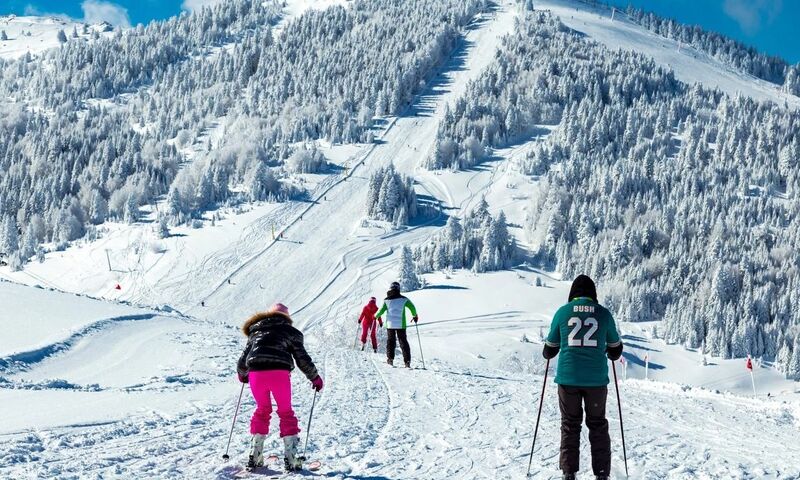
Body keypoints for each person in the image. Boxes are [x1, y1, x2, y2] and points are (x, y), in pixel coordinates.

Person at [542, 275, 623, 480]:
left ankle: (569, 473)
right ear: (593, 295)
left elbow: (549, 349)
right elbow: (616, 348)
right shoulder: (604, 314)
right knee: (597, 424)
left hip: (568, 379)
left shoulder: (562, 313)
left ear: (573, 295)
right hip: (596, 382)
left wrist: (550, 351)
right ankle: (602, 473)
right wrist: (611, 353)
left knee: (570, 424)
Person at [237, 303, 324, 472]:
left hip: (256, 374)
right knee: (285, 412)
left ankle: (255, 456)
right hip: (279, 375)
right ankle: (291, 460)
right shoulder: (290, 332)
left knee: (262, 410)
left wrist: (242, 373)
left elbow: (244, 357)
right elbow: (302, 358)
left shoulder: (256, 331)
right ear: (287, 318)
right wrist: (315, 377)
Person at [376, 281, 418, 368]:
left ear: (390, 288)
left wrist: (375, 316)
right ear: (398, 289)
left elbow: (380, 311)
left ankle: (390, 360)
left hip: (390, 325)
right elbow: (412, 307)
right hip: (401, 324)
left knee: (391, 341)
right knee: (403, 342)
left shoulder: (386, 300)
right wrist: (415, 316)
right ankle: (407, 362)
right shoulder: (404, 299)